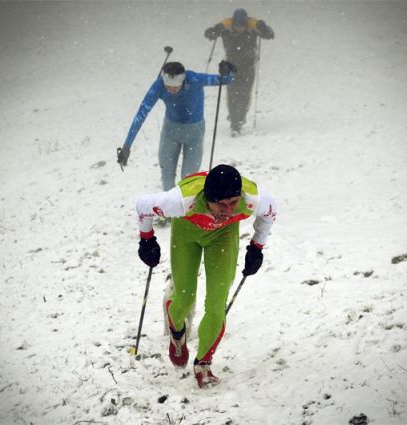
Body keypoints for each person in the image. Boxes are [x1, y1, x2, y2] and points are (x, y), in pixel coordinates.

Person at [135, 164, 277, 388]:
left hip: (223, 235)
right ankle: (177, 330)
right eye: (221, 205)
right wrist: (147, 239)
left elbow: (270, 213)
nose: (229, 210)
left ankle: (203, 364)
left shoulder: (252, 198)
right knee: (184, 298)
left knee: (216, 304)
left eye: (233, 203)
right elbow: (142, 206)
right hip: (187, 232)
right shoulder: (180, 201)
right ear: (208, 199)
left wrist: (257, 247)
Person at [117, 61, 236, 191]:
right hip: (171, 132)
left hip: (194, 133)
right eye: (168, 86)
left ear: (183, 80)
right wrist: (127, 146)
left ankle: (187, 209)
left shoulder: (194, 79)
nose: (171, 90)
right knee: (167, 177)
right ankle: (170, 208)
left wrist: (228, 71)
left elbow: (225, 80)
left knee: (189, 179)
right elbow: (141, 113)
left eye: (175, 87)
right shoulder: (159, 85)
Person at [204, 8, 274, 136]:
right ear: (233, 24)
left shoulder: (252, 30)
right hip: (231, 66)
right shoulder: (226, 30)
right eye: (236, 25)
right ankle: (234, 122)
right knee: (232, 93)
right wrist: (215, 29)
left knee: (244, 93)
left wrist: (263, 27)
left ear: (246, 24)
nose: (239, 28)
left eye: (242, 25)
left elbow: (270, 35)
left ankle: (240, 117)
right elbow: (208, 34)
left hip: (248, 67)